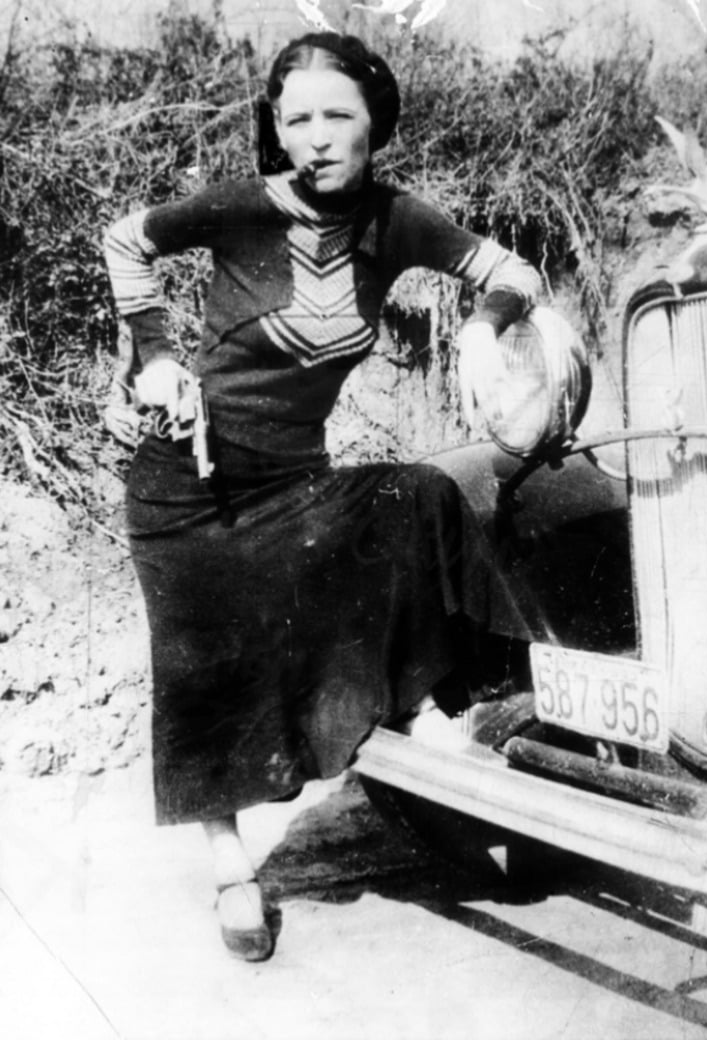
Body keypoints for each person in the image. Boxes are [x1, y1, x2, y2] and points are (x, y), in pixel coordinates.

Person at [103, 31, 541, 963]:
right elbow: (126, 239)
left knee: (420, 496)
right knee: (205, 676)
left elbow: (514, 275)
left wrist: (479, 327)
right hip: (189, 487)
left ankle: (434, 720)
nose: (316, 138)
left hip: (294, 482)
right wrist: (153, 356)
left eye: (338, 116)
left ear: (375, 124)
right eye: (295, 118)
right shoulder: (244, 207)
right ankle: (231, 870)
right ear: (275, 128)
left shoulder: (397, 221)